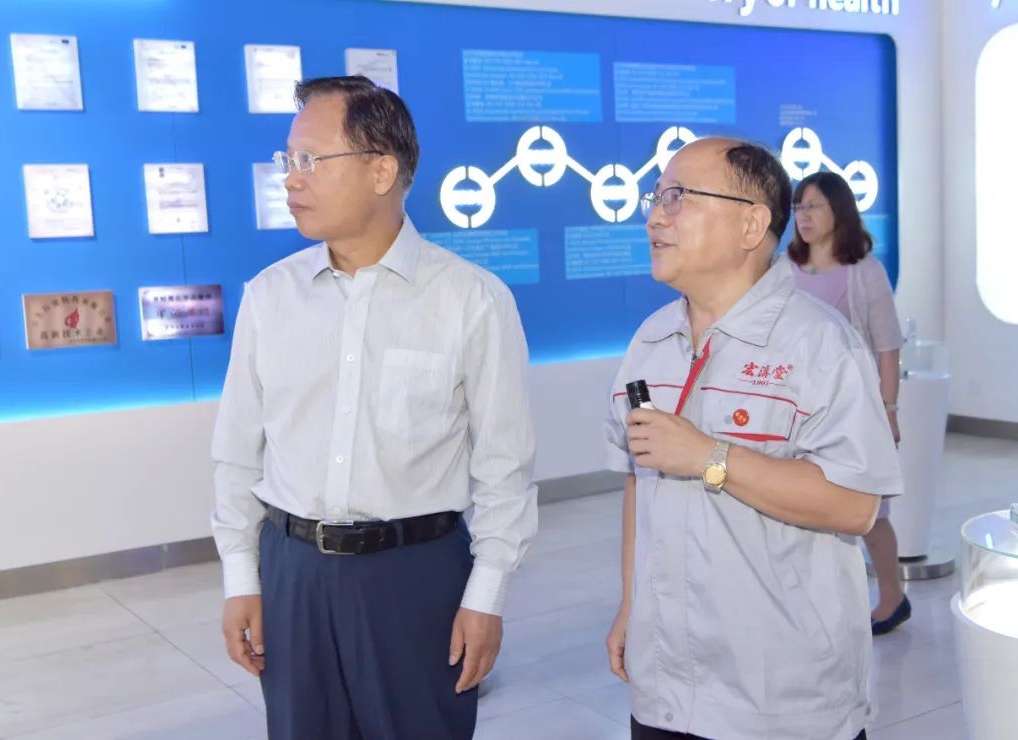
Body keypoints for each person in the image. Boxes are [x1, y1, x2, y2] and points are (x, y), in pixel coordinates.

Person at [210, 75, 537, 740]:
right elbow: (237, 452)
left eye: (310, 160)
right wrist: (242, 577)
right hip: (293, 573)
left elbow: (505, 468)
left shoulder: (471, 300)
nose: (290, 179)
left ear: (382, 170)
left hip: (415, 576)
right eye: (287, 160)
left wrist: (487, 595)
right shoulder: (270, 297)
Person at [603, 137, 902, 740]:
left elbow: (855, 505)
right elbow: (642, 480)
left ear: (751, 224)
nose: (655, 218)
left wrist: (710, 457)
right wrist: (633, 605)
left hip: (780, 697)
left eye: (678, 197)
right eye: (656, 198)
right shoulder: (650, 342)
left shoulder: (819, 345)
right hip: (664, 691)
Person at [783, 171, 909, 635]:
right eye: (798, 207)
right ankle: (815, 606)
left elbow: (887, 345)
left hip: (853, 409)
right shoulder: (784, 268)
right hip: (797, 409)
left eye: (813, 206)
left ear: (838, 211)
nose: (803, 216)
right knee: (802, 505)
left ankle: (892, 596)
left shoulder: (865, 271)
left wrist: (889, 410)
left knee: (867, 510)